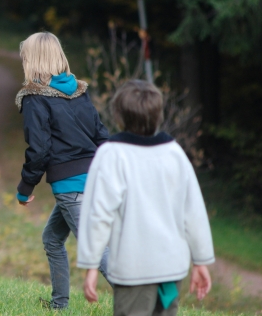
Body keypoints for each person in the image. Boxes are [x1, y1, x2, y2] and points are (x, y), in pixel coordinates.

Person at [78, 79, 214, 315]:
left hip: (133, 271)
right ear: (159, 115)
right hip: (171, 268)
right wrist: (200, 260)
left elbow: (97, 214)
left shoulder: (111, 154)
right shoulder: (174, 153)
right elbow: (193, 211)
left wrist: (90, 264)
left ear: (118, 115)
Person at [15, 32, 112, 309]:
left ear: (32, 60)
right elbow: (102, 137)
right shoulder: (78, 91)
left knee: (96, 249)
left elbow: (39, 150)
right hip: (93, 179)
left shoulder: (35, 98)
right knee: (52, 239)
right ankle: (59, 305)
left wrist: (25, 188)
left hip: (71, 186)